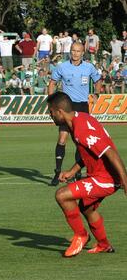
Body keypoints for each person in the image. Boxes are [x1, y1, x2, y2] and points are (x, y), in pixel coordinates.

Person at [47, 92, 127, 257]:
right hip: (99, 176)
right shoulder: (79, 119)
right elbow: (89, 154)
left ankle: (81, 235)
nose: (50, 115)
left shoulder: (81, 129)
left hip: (106, 179)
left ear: (60, 112)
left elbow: (111, 153)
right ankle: (104, 245)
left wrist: (125, 182)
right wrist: (72, 171)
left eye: (51, 112)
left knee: (62, 195)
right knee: (87, 208)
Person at [48, 42, 101, 186]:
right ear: (70, 51)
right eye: (73, 50)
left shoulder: (89, 67)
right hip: (67, 107)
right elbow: (52, 83)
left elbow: (98, 81)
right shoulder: (62, 66)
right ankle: (57, 172)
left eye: (78, 51)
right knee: (62, 139)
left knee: (81, 142)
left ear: (82, 53)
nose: (75, 53)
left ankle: (77, 173)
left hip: (82, 107)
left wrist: (96, 93)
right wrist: (51, 102)